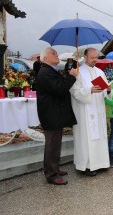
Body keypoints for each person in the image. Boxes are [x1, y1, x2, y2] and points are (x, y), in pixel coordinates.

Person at [36, 47, 78, 185]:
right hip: (51, 114)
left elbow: (59, 84)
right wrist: (72, 76)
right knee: (52, 145)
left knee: (55, 143)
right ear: (46, 58)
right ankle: (51, 174)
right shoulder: (45, 72)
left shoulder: (50, 71)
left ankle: (53, 168)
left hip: (54, 114)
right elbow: (60, 89)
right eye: (53, 53)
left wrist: (68, 73)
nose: (57, 55)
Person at [70, 48, 113, 177]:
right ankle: (87, 166)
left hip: (98, 109)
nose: (95, 60)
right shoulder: (78, 72)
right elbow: (75, 91)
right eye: (92, 57)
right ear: (85, 57)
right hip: (85, 111)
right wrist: (90, 90)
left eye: (96, 57)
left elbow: (105, 92)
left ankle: (101, 163)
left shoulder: (100, 72)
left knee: (100, 135)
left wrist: (109, 89)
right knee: (86, 138)